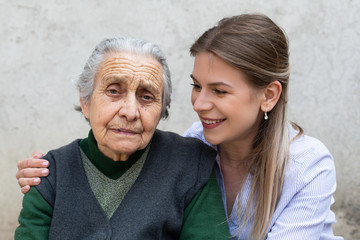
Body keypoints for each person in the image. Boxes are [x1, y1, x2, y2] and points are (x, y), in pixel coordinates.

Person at [16, 14, 343, 240]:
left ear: (268, 96)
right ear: (84, 100)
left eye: (219, 90)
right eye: (196, 86)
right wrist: (47, 174)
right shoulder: (191, 147)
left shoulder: (305, 164)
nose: (199, 103)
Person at [15, 37, 230, 239]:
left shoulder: (192, 165)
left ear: (161, 110)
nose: (130, 111)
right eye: (114, 91)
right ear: (85, 102)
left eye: (146, 97)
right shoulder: (48, 176)